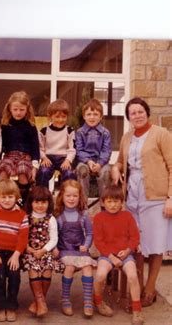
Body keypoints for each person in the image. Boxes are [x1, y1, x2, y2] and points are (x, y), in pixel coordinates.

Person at [111, 97, 172, 307]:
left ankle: (150, 289)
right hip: (132, 195)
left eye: (140, 111)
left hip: (155, 195)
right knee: (135, 243)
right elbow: (120, 161)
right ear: (128, 117)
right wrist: (115, 168)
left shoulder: (161, 134)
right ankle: (137, 287)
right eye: (132, 113)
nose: (137, 115)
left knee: (155, 244)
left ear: (147, 112)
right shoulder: (127, 137)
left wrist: (170, 198)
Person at [93, 185, 144, 325]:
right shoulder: (99, 218)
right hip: (107, 255)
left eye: (116, 201)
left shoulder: (127, 216)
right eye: (109, 201)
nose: (113, 205)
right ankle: (98, 301)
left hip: (125, 254)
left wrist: (128, 250)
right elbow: (98, 241)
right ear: (103, 202)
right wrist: (111, 257)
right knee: (100, 275)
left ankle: (137, 310)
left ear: (122, 202)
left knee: (133, 276)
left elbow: (135, 237)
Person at [0, 179, 28, 322]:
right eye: (3, 197)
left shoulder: (22, 215)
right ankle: (0, 305)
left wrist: (16, 254)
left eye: (10, 197)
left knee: (14, 275)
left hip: (14, 252)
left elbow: (23, 238)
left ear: (16, 197)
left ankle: (12, 305)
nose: (7, 200)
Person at [55, 179, 96, 317]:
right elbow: (54, 235)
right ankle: (65, 299)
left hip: (80, 250)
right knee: (70, 267)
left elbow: (90, 233)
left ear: (80, 197)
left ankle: (88, 300)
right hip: (65, 250)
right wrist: (55, 248)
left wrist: (86, 245)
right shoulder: (58, 216)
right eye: (68, 195)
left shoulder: (83, 215)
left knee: (87, 267)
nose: (71, 199)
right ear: (62, 196)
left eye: (75, 196)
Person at [22, 186, 64, 318]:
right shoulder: (26, 218)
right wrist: (27, 247)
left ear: (48, 203)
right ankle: (40, 300)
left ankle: (38, 302)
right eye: (37, 202)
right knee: (33, 267)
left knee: (47, 267)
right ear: (31, 203)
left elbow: (54, 238)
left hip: (45, 249)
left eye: (43, 202)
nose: (40, 205)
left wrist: (44, 250)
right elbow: (21, 235)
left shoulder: (50, 219)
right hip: (30, 251)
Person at [0, 91, 40, 204]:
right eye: (15, 109)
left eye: (22, 110)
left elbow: (35, 147)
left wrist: (35, 166)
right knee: (3, 172)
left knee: (23, 172)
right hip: (10, 155)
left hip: (25, 156)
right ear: (10, 108)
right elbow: (1, 144)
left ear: (27, 109)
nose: (18, 112)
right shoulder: (6, 125)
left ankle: (22, 202)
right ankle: (0, 201)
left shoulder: (31, 126)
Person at [75, 98, 112, 201]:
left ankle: (105, 203)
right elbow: (79, 150)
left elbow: (106, 151)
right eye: (89, 114)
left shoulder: (105, 133)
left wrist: (100, 164)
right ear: (84, 116)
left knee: (106, 173)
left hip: (102, 163)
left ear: (100, 117)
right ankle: (82, 203)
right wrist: (89, 161)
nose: (92, 117)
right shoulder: (80, 132)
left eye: (95, 114)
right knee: (82, 170)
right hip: (85, 162)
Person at [36, 99, 76, 188]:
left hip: (63, 158)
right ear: (50, 117)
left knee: (69, 173)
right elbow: (39, 147)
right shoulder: (44, 131)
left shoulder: (70, 131)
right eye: (57, 117)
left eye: (64, 116)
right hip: (48, 158)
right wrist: (44, 157)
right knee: (43, 172)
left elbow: (72, 149)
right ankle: (42, 196)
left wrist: (68, 160)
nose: (60, 119)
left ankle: (66, 196)